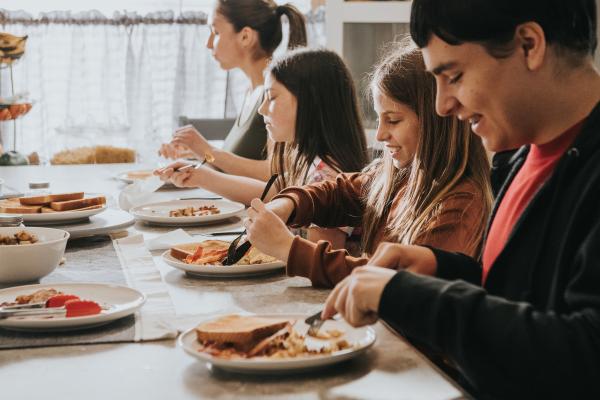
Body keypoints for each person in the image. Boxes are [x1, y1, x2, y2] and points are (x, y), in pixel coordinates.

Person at [321, 0, 600, 398]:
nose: (441, 104)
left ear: (528, 45)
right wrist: (440, 268)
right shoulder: (519, 157)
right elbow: (523, 298)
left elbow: (585, 355)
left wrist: (414, 297)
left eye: (454, 75)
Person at [243, 41, 492, 288]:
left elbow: (396, 285)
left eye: (393, 120)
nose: (380, 135)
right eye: (379, 118)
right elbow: (338, 191)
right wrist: (288, 204)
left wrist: (289, 249)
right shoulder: (400, 173)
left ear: (435, 122)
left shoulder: (460, 204)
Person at [155, 48, 369, 244]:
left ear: (310, 102)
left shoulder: (327, 176)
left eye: (271, 97)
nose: (262, 110)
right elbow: (274, 192)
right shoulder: (311, 163)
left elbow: (321, 261)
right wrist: (199, 176)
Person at [159, 0, 307, 181]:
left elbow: (275, 173)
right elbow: (226, 169)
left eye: (216, 32)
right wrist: (196, 152)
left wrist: (207, 150)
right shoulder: (251, 92)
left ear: (245, 37)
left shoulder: (275, 97)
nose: (208, 43)